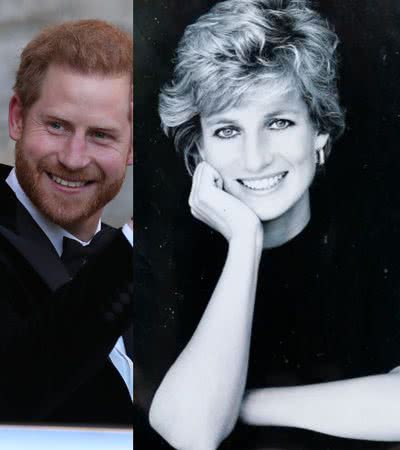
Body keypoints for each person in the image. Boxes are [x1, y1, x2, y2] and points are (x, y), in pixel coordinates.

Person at [138, 1, 400, 449]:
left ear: (318, 133)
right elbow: (192, 433)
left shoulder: (378, 242)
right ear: (198, 150)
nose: (255, 157)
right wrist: (244, 241)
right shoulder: (159, 260)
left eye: (278, 122)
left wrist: (245, 403)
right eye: (227, 130)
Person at [0, 19, 135, 425]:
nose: (74, 158)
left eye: (101, 135)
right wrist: (129, 254)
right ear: (18, 118)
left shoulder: (137, 257)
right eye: (56, 126)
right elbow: (11, 396)